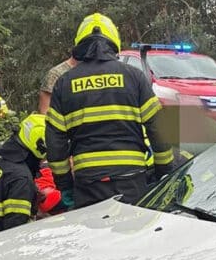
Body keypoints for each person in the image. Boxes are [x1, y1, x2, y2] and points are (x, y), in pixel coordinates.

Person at [45, 13, 172, 208]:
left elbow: (55, 141)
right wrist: (164, 170)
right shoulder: (134, 77)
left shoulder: (65, 83)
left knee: (94, 236)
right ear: (114, 42)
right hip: (131, 178)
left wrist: (65, 185)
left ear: (81, 44)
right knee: (130, 234)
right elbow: (158, 128)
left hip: (87, 183)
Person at [0, 114, 46, 240]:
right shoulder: (21, 180)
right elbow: (16, 233)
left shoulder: (6, 163)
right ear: (40, 145)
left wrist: (31, 204)